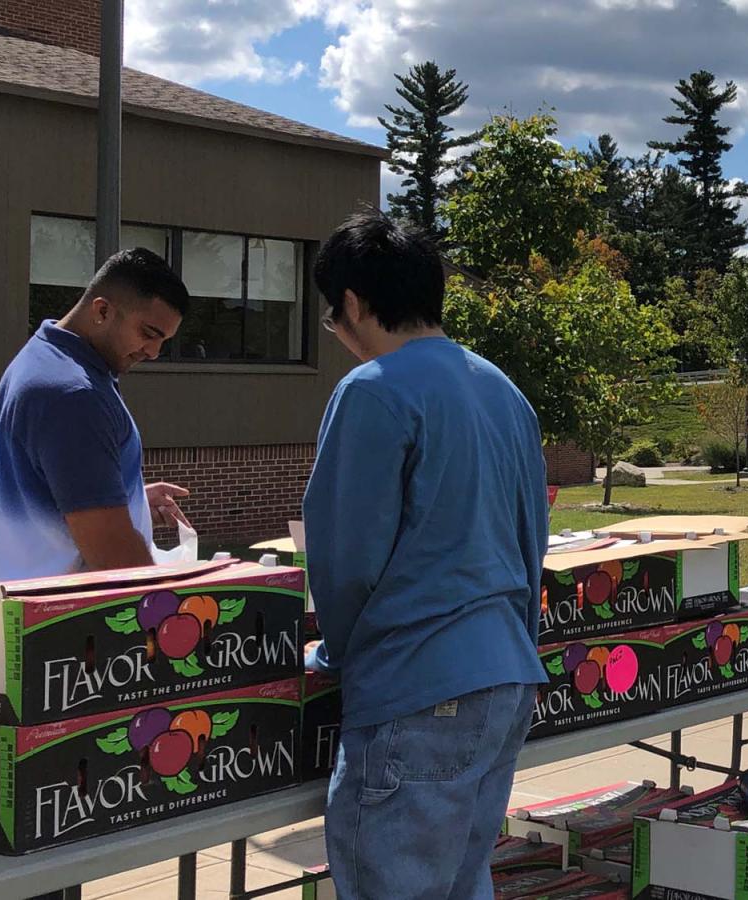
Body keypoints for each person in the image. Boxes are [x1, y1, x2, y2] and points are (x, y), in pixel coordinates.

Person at [301, 212, 548, 900]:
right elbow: (534, 539)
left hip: (416, 686)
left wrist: (335, 655)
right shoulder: (504, 390)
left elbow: (346, 559)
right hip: (505, 674)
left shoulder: (373, 390)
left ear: (350, 304)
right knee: (464, 882)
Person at [0, 249, 193, 584]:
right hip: (56, 621)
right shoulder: (74, 394)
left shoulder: (41, 358)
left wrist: (129, 500)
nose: (153, 352)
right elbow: (115, 560)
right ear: (102, 310)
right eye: (148, 333)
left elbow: (49, 490)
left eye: (163, 341)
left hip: (14, 610)